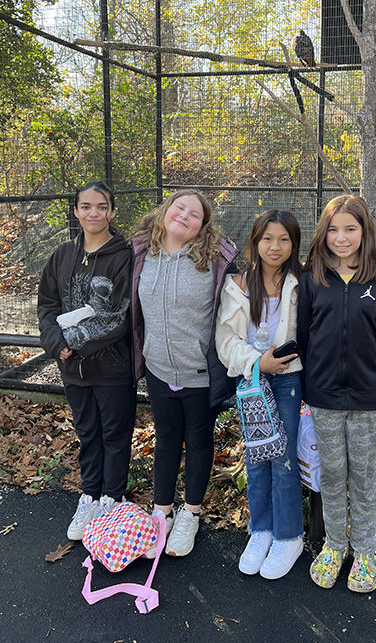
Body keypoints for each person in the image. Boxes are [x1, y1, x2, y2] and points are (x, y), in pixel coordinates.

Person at [297, 194, 376, 593]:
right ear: (324, 233)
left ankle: (365, 549)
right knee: (333, 472)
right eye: (334, 230)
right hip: (322, 396)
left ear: (364, 232)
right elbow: (304, 336)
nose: (342, 238)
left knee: (363, 474)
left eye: (351, 229)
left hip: (368, 396)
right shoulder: (312, 278)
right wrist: (309, 388)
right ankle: (335, 544)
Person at [130, 190, 238, 557]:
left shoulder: (217, 260)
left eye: (196, 215)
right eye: (180, 207)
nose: (185, 216)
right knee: (165, 439)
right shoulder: (141, 252)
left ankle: (191, 513)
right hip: (158, 369)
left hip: (200, 373)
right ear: (165, 210)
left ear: (202, 227)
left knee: (199, 441)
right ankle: (161, 513)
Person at [38, 181, 135, 541]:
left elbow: (121, 316)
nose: (93, 213)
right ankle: (90, 495)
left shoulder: (124, 256)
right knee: (87, 433)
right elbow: (48, 304)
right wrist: (55, 343)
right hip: (72, 369)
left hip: (111, 367)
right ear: (76, 211)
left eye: (101, 206)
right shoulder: (62, 255)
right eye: (86, 206)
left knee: (114, 434)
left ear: (112, 211)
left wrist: (73, 342)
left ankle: (112, 498)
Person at [216, 210, 306, 580]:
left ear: (294, 244)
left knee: (283, 458)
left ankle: (289, 536)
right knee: (256, 457)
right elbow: (226, 340)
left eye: (284, 239)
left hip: (287, 380)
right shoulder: (237, 284)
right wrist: (257, 363)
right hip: (252, 381)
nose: (275, 246)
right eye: (267, 238)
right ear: (254, 241)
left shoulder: (302, 283)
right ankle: (261, 530)